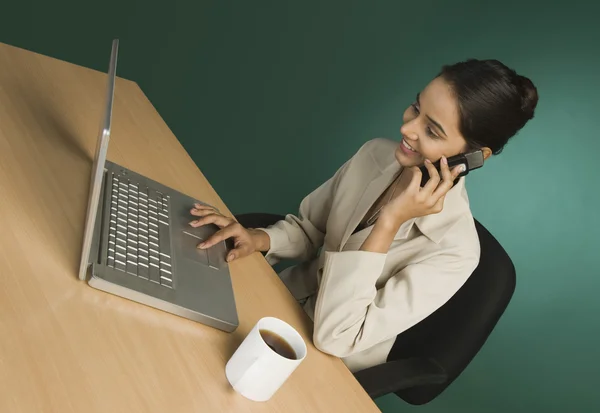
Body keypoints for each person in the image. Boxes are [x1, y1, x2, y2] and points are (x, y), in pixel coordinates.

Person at [188, 59, 538, 373]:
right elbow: (313, 231)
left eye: (432, 131)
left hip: (328, 364)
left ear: (475, 156)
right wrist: (260, 238)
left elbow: (337, 337)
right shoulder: (374, 154)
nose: (408, 129)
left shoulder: (457, 252)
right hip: (275, 306)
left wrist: (389, 223)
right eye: (416, 108)